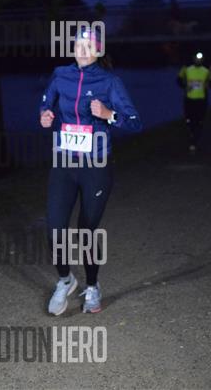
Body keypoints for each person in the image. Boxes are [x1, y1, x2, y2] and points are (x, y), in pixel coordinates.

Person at [39, 30, 142, 315]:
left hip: (95, 166)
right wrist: (45, 115)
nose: (83, 50)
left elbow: (135, 122)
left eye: (89, 46)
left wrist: (109, 114)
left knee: (86, 230)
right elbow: (46, 104)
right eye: (78, 45)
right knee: (54, 229)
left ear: (98, 51)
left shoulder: (110, 82)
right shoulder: (60, 75)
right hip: (64, 163)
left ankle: (93, 285)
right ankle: (65, 280)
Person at [177, 52, 211, 154]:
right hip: (189, 100)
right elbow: (179, 80)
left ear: (202, 59)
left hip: (201, 100)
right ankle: (192, 138)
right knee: (189, 121)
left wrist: (209, 84)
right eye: (196, 58)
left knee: (199, 122)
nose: (198, 60)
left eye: (200, 58)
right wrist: (185, 86)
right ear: (193, 58)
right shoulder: (186, 68)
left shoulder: (206, 70)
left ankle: (194, 142)